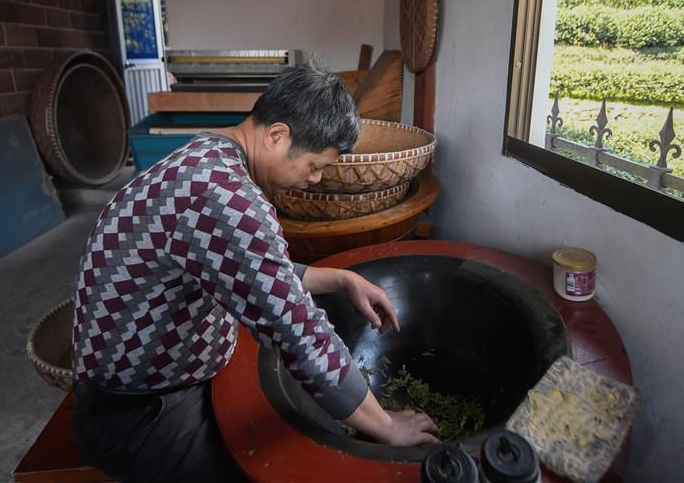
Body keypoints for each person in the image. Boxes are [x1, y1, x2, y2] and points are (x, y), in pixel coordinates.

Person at [72, 61, 439, 482]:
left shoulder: (206, 155)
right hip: (137, 415)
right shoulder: (225, 198)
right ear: (277, 136)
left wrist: (343, 278)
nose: (315, 180)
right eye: (315, 165)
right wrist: (386, 426)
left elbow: (251, 267)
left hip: (148, 384)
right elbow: (299, 333)